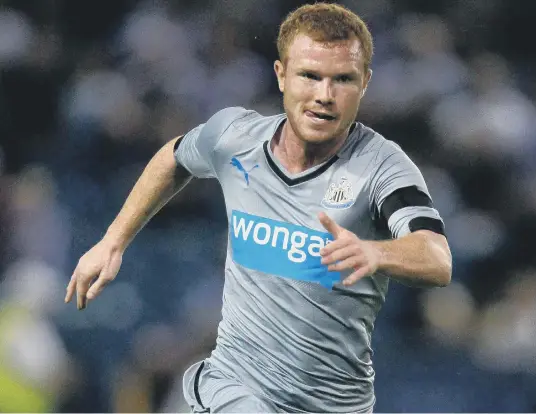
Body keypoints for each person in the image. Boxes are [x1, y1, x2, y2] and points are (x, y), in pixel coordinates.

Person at [65, 3, 452, 413]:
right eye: (310, 76)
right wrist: (113, 241)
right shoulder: (236, 138)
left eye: (343, 80)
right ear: (281, 75)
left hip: (336, 404)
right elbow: (173, 159)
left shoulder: (381, 168)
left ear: (366, 83)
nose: (325, 95)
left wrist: (376, 251)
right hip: (237, 389)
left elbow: (436, 256)